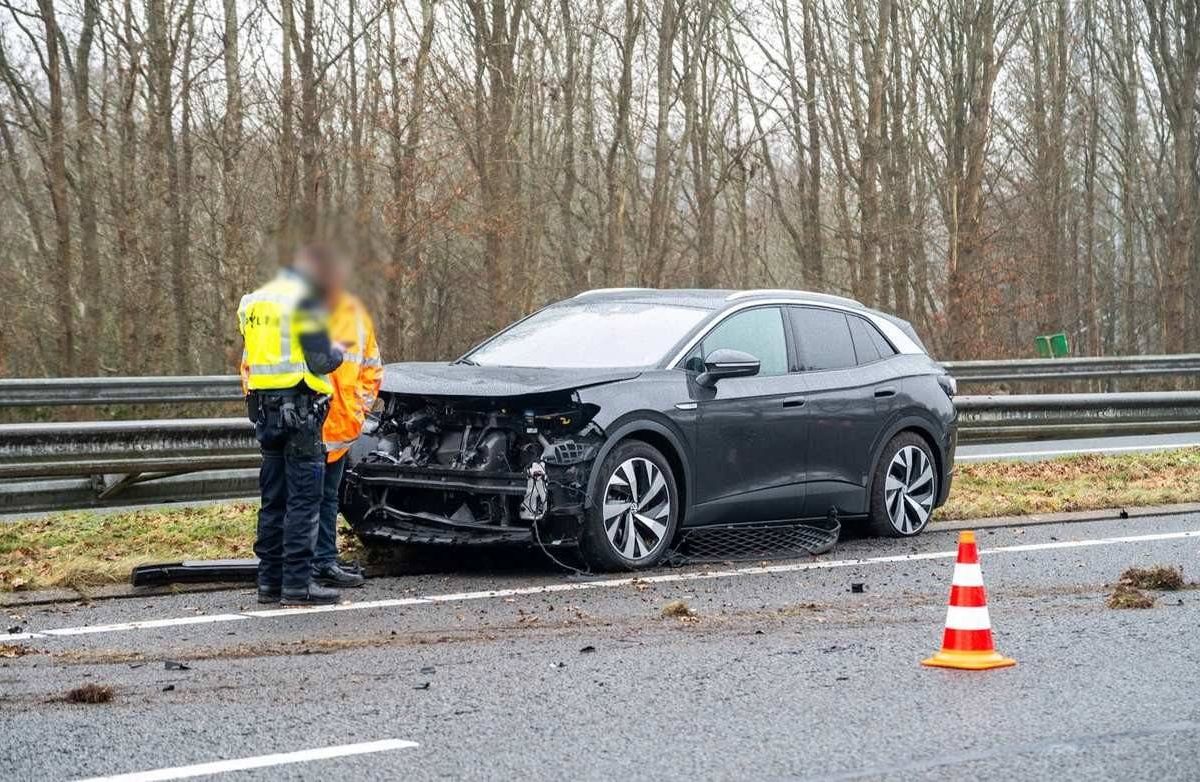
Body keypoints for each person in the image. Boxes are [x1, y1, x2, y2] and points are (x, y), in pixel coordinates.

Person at [238, 245, 345, 607]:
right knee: (303, 501)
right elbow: (321, 360)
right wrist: (338, 351)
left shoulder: (253, 303)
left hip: (266, 413)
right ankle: (298, 586)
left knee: (273, 500)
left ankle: (268, 583)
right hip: (300, 414)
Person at [311, 275, 382, 588]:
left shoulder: (356, 316)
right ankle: (307, 562)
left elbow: (372, 369)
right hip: (308, 428)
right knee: (306, 500)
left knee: (327, 498)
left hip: (338, 429)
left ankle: (323, 560)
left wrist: (358, 410)